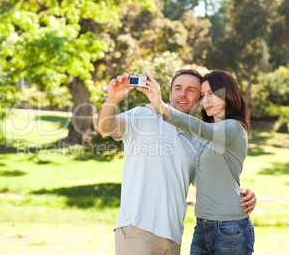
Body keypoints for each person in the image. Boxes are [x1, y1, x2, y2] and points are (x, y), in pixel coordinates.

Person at [96, 69, 256, 254]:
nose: (182, 94)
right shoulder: (142, 116)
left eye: (192, 90)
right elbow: (105, 127)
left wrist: (243, 193)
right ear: (170, 93)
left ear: (198, 101)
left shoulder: (199, 140)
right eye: (178, 88)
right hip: (137, 229)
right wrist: (112, 100)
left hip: (173, 236)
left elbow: (210, 180)